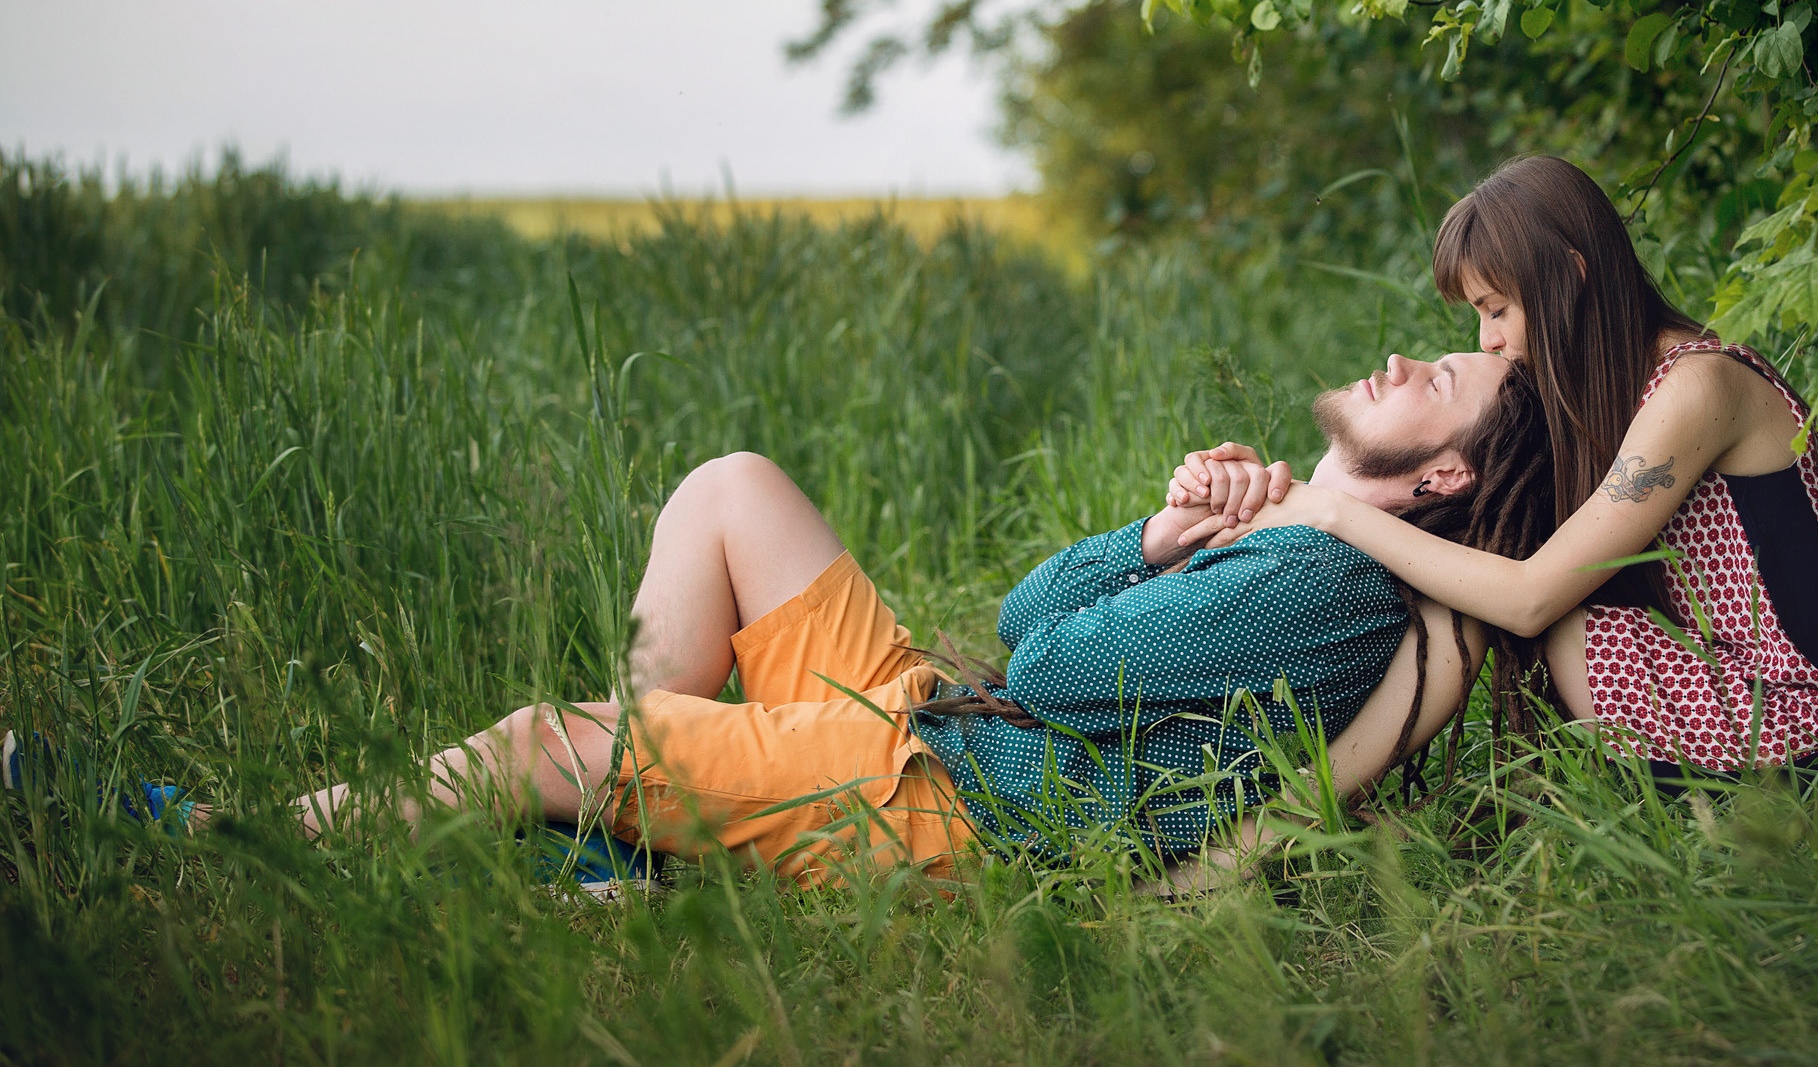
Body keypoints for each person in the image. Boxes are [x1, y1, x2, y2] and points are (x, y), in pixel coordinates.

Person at [284, 349, 1547, 882]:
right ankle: (629, 821)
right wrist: (1158, 538)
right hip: (947, 722)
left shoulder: (1324, 582)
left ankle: (256, 836)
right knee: (735, 490)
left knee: (532, 742)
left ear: (1440, 476)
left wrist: (1236, 544)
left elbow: (1050, 673)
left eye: (1434, 377)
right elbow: (1023, 612)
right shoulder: (1293, 546)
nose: (1397, 360)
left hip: (955, 802)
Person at [1172, 155, 1818, 784]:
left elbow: (1530, 598)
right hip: (1747, 686)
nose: (1487, 340)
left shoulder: (1697, 387)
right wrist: (1268, 499)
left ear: (1571, 279)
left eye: (1496, 310)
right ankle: (1300, 800)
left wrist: (1326, 511)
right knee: (1481, 573)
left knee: (1550, 619)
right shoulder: (1610, 389)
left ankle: (1291, 816)